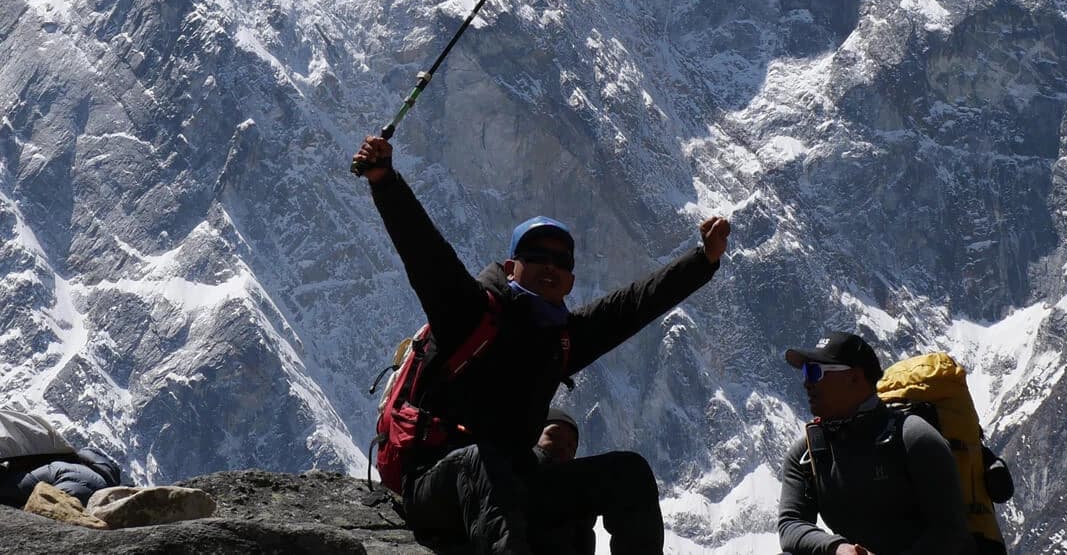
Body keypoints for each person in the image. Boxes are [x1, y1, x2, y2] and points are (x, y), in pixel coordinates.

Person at [354, 136, 730, 555]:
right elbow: (424, 251)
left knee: (629, 474)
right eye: (537, 256)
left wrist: (704, 260)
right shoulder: (469, 313)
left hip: (512, 481)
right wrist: (384, 180)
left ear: (571, 279)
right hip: (437, 484)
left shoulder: (562, 338)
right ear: (513, 267)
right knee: (484, 462)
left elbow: (635, 305)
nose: (550, 267)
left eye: (561, 261)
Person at [777, 332, 973, 555]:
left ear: (855, 378)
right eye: (805, 372)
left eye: (815, 372)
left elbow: (951, 534)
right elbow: (790, 524)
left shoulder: (913, 438)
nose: (807, 382)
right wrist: (837, 548)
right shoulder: (808, 453)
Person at [532, 408, 596, 555]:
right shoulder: (510, 471)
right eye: (553, 436)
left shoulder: (579, 499)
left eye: (570, 447)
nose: (562, 449)